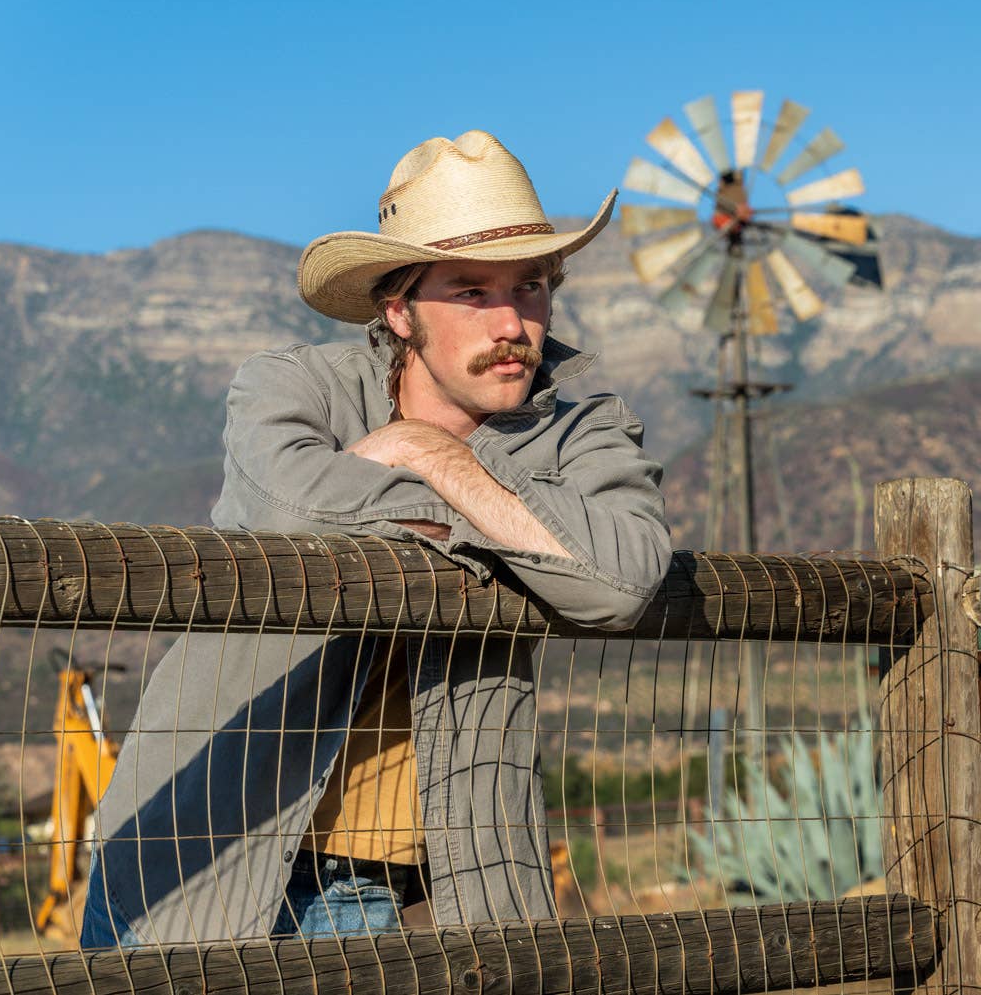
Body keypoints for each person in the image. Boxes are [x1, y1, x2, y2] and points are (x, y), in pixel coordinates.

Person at [80, 131, 671, 947]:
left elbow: (624, 580)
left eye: (531, 286)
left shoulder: (587, 433)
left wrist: (433, 459)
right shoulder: (291, 386)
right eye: (471, 292)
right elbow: (293, 516)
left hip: (408, 892)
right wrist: (513, 533)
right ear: (399, 309)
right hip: (188, 854)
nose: (512, 322)